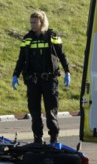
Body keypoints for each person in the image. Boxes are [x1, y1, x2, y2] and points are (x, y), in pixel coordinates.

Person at [11, 10, 71, 145]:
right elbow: (21, 59)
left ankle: (54, 138)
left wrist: (67, 72)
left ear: (42, 22)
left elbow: (62, 55)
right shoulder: (27, 39)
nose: (32, 25)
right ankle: (37, 138)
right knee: (35, 112)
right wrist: (15, 75)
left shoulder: (52, 36)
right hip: (33, 81)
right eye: (31, 22)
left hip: (50, 80)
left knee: (51, 111)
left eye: (35, 22)